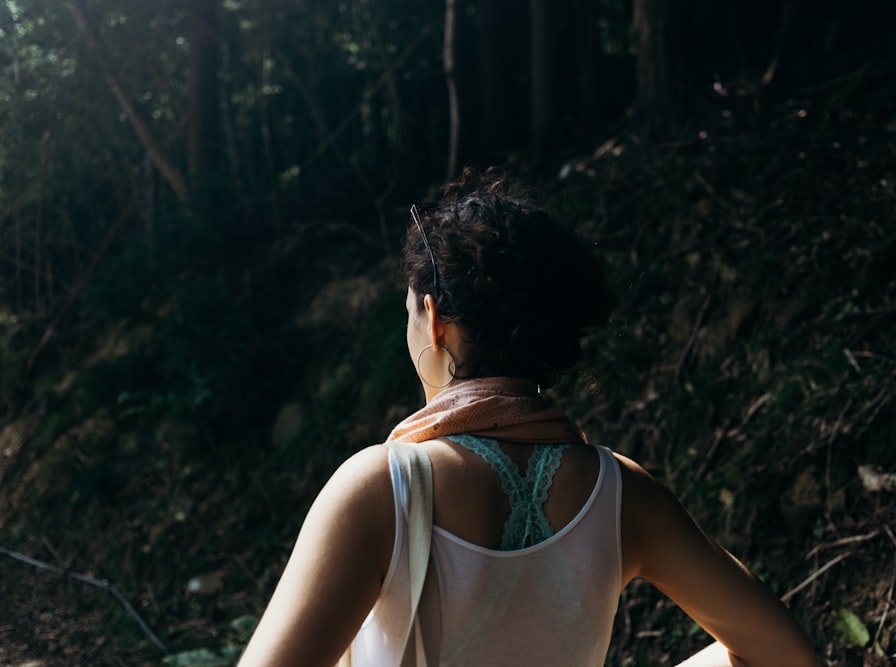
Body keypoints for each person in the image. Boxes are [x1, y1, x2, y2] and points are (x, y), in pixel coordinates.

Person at [237, 169, 816, 667]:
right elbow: (784, 656)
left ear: (435, 320)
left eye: (411, 313)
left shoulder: (381, 490)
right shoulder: (625, 495)